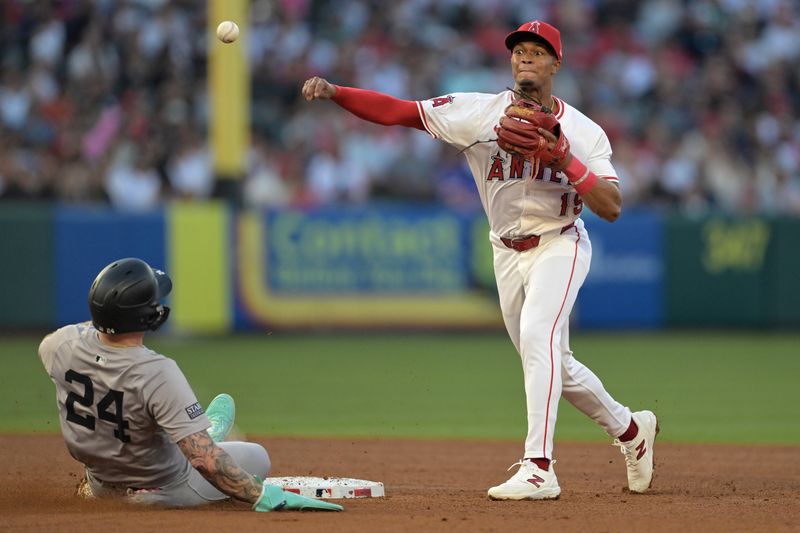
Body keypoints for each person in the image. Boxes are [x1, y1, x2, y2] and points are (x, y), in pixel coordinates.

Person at [302, 20, 658, 500]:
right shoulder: (477, 112)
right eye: (519, 51)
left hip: (560, 242)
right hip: (506, 250)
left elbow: (611, 207)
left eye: (537, 51)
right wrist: (336, 91)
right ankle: (633, 432)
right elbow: (400, 112)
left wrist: (565, 161)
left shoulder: (583, 131)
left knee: (538, 339)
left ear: (557, 63)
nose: (525, 58)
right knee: (554, 361)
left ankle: (539, 467)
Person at [38, 257, 341, 511]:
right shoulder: (157, 372)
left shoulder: (59, 345)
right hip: (164, 489)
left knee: (147, 425)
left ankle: (200, 431)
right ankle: (204, 435)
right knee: (256, 456)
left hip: (101, 482)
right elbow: (205, 461)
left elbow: (93, 347)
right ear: (148, 315)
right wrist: (267, 498)